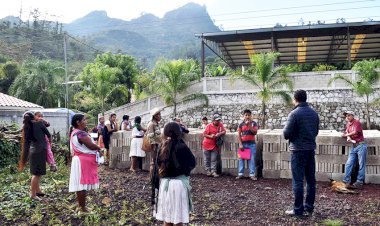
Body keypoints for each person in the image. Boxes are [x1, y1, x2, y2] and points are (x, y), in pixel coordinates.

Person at [283, 90, 319, 217]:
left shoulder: (294, 114)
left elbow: (286, 134)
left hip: (298, 151)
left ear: (295, 99)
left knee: (298, 181)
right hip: (310, 150)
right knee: (311, 180)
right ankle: (309, 207)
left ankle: (298, 210)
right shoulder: (314, 113)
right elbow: (316, 132)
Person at [153, 122, 196, 226]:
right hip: (178, 185)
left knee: (167, 219)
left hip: (165, 185)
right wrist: (184, 171)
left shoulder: (162, 146)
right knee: (178, 219)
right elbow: (192, 163)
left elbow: (157, 164)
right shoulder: (181, 146)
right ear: (178, 133)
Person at [68, 114, 102, 212]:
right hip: (82, 162)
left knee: (80, 184)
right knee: (81, 185)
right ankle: (82, 208)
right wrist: (99, 148)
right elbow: (91, 145)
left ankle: (81, 205)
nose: (86, 122)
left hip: (80, 160)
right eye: (84, 120)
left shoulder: (76, 132)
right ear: (78, 122)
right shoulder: (80, 133)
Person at [19, 111, 52, 201]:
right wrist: (50, 145)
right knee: (36, 174)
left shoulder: (26, 127)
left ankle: (38, 191)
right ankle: (33, 195)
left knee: (37, 172)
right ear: (33, 117)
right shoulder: (39, 124)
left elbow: (28, 141)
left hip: (33, 151)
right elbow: (49, 135)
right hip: (41, 150)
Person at [342, 110, 367, 188]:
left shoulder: (357, 122)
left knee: (361, 164)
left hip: (361, 146)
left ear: (352, 115)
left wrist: (347, 135)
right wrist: (348, 137)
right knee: (349, 163)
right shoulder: (348, 124)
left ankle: (359, 182)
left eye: (349, 115)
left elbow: (355, 132)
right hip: (354, 146)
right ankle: (346, 181)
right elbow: (346, 132)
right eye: (346, 116)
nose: (347, 117)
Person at [236, 109, 259, 180]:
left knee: (251, 159)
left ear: (251, 116)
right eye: (246, 115)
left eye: (249, 115)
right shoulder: (241, 124)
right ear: (243, 116)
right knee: (240, 159)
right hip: (243, 144)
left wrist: (249, 125)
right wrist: (240, 144)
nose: (247, 116)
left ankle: (252, 174)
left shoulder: (254, 123)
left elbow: (255, 132)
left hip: (251, 145)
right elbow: (239, 135)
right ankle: (240, 174)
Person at [147, 107, 162, 178]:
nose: (160, 116)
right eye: (159, 114)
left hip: (158, 145)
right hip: (154, 146)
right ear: (155, 116)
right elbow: (150, 137)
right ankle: (151, 178)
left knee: (156, 162)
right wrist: (153, 148)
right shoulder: (151, 124)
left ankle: (155, 177)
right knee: (153, 162)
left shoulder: (156, 124)